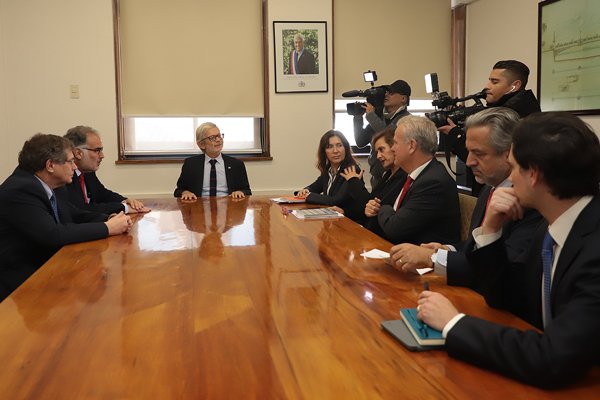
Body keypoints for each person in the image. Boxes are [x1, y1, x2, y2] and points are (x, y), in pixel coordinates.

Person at [417, 112, 600, 388]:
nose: (510, 177)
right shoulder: (553, 227)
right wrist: (490, 231)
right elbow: (506, 298)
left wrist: (453, 323)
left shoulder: (594, 245)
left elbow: (552, 358)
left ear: (534, 174)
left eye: (514, 167)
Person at [389, 108, 543, 290]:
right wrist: (445, 250)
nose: (469, 161)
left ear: (508, 154)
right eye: (469, 152)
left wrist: (431, 258)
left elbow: (504, 270)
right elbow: (476, 246)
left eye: (479, 153)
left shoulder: (530, 201)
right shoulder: (488, 189)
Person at [0, 134, 132, 300]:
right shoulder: (20, 189)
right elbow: (52, 234)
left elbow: (74, 214)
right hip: (22, 280)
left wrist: (110, 218)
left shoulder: (53, 184)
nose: (75, 167)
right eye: (70, 161)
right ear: (50, 165)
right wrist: (108, 228)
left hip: (51, 267)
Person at [440, 60, 541, 194]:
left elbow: (486, 158)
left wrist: (455, 134)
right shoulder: (518, 108)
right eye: (489, 81)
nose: (487, 86)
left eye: (495, 82)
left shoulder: (513, 117)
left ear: (514, 86)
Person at [371, 116, 460, 245]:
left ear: (412, 146)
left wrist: (383, 207)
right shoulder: (419, 175)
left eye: (395, 143)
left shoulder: (433, 182)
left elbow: (394, 228)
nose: (393, 148)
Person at [64, 126, 149, 214]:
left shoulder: (88, 172)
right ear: (78, 153)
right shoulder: (65, 176)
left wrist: (125, 201)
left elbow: (102, 194)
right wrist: (124, 208)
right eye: (97, 150)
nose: (102, 155)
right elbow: (82, 209)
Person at [340, 127, 406, 233]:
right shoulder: (388, 174)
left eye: (382, 149)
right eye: (377, 152)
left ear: (395, 147)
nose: (379, 156)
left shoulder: (404, 176)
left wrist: (354, 182)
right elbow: (370, 203)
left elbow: (375, 206)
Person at [354, 80, 411, 188]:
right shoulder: (380, 117)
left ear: (403, 99)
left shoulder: (406, 120)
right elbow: (360, 141)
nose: (386, 95)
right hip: (376, 177)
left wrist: (371, 116)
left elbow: (389, 137)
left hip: (395, 178)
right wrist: (357, 118)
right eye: (386, 92)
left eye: (391, 93)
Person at [296, 130, 363, 222]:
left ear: (345, 148)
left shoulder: (352, 170)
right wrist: (305, 190)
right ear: (324, 152)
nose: (335, 151)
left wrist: (308, 196)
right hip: (333, 219)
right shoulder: (329, 170)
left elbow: (335, 200)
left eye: (339, 145)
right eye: (330, 147)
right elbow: (315, 186)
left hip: (350, 221)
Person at [174, 122, 251, 200]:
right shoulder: (191, 164)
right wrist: (185, 192)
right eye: (212, 138)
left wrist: (240, 192)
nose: (218, 140)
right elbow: (178, 190)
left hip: (228, 207)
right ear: (201, 144)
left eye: (219, 136)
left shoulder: (236, 164)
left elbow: (247, 191)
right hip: (199, 207)